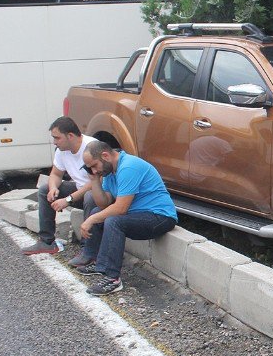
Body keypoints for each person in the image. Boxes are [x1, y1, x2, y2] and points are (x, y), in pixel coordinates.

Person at [78, 140, 177, 296]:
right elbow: (103, 203)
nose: (94, 170)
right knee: (97, 211)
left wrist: (91, 220)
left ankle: (112, 278)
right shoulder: (109, 172)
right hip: (138, 215)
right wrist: (94, 180)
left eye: (94, 166)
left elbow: (120, 208)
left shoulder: (129, 167)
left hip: (160, 217)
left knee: (112, 220)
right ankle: (97, 262)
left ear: (105, 156)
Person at [21, 116, 95, 258]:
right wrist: (54, 187)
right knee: (45, 190)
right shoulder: (62, 150)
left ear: (70, 136)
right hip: (80, 191)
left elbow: (96, 182)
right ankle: (47, 242)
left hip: (99, 194)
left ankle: (88, 250)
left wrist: (67, 200)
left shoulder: (91, 147)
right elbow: (55, 173)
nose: (54, 142)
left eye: (57, 138)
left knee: (89, 197)